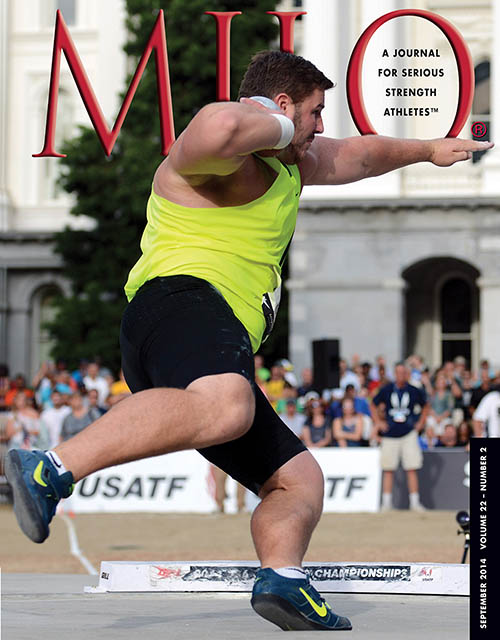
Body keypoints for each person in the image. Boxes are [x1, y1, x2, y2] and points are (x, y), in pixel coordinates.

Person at [5, 49, 490, 632]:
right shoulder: (214, 164)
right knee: (229, 406)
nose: (318, 129)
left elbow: (361, 154)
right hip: (179, 305)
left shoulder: (291, 167)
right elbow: (221, 124)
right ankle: (48, 469)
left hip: (212, 342)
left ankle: (282, 580)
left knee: (299, 478)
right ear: (280, 107)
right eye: (312, 113)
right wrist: (279, 121)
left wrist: (430, 149)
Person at [371, 362, 429, 512]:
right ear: (395, 374)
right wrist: (378, 422)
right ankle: (386, 503)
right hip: (390, 434)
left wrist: (420, 423)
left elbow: (426, 405)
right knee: (388, 468)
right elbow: (373, 403)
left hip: (408, 432)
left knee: (411, 468)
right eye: (398, 372)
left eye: (404, 372)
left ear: (407, 374)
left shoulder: (414, 390)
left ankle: (415, 503)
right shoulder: (387, 389)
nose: (401, 375)